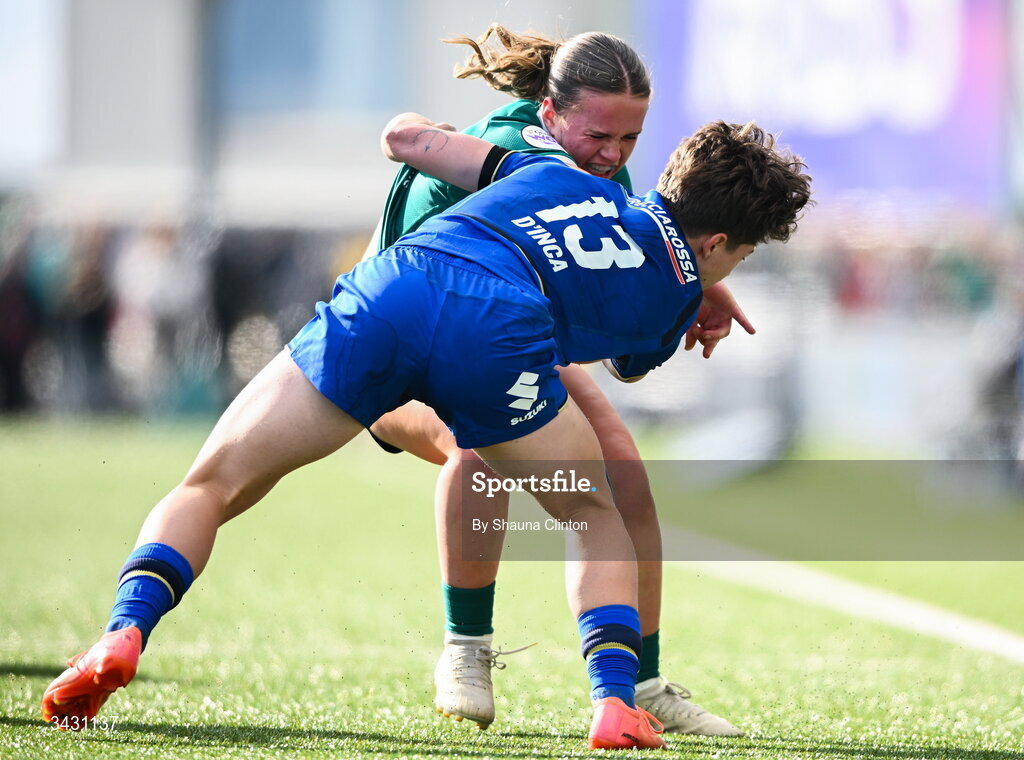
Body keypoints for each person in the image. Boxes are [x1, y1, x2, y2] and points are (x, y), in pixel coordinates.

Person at [41, 114, 811, 750]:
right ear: (716, 246)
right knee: (592, 510)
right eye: (739, 254)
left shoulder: (558, 171)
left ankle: (124, 630)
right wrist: (696, 294)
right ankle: (614, 704)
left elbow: (421, 144)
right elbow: (633, 359)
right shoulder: (681, 288)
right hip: (495, 331)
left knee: (211, 484)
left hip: (396, 286)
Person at [365, 25, 752, 735]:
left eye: (630, 139)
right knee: (475, 445)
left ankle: (643, 681)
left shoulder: (607, 178)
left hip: (515, 347)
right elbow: (408, 284)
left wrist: (689, 286)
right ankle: (466, 650)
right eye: (599, 136)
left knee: (623, 470)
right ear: (550, 113)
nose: (613, 157)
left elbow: (610, 309)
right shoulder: (491, 157)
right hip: (393, 355)